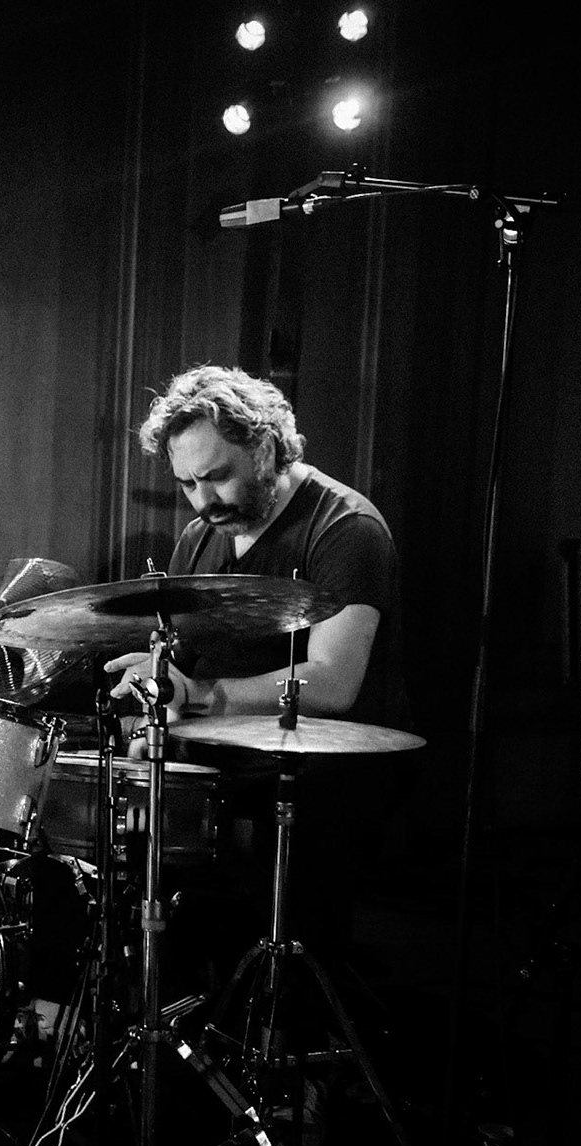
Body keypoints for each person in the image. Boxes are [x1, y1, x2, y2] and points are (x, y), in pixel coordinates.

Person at [102, 364, 413, 970]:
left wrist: (196, 694)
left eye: (217, 477)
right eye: (187, 483)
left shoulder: (345, 528)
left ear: (266, 449)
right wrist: (156, 689)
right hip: (227, 768)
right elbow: (182, 665)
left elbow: (332, 683)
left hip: (319, 781)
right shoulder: (197, 538)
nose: (203, 500)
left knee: (267, 945)